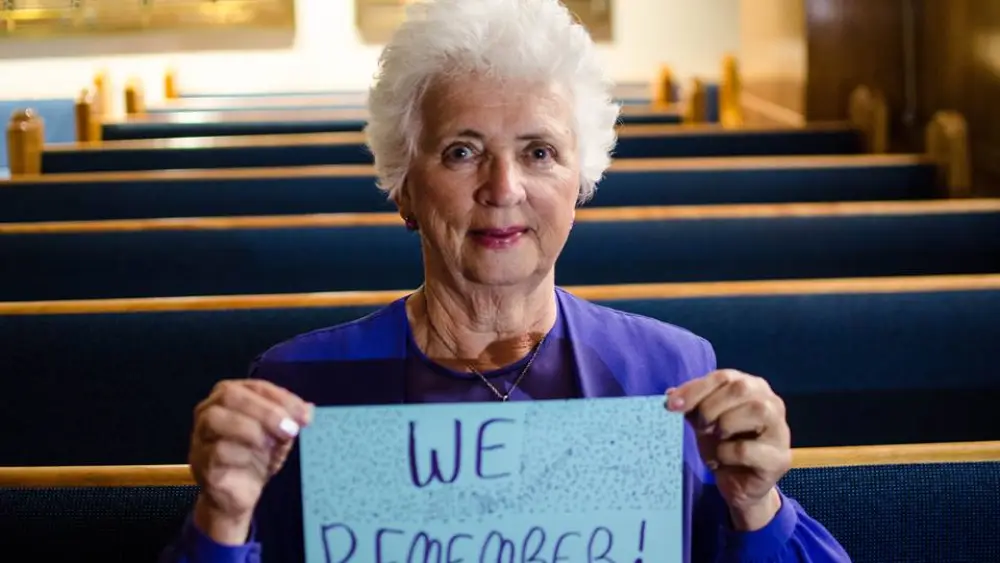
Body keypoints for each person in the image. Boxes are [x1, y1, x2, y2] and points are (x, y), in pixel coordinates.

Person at [160, 0, 850, 561]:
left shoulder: (669, 373)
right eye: (463, 151)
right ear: (404, 187)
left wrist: (756, 504)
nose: (503, 187)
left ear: (580, 185)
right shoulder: (301, 388)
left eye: (539, 151)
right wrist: (224, 517)